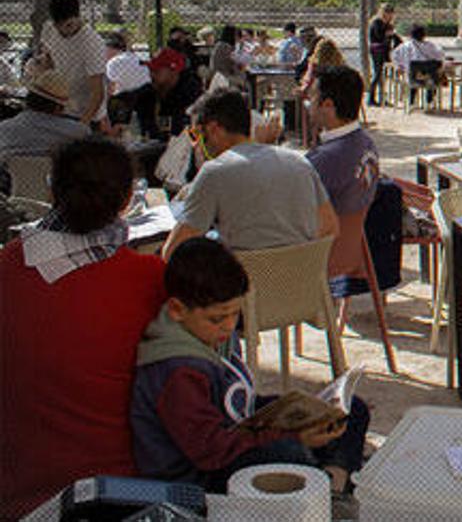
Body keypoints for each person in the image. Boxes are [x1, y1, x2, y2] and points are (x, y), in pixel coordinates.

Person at [130, 236, 368, 510]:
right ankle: (322, 494)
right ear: (177, 310)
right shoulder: (176, 371)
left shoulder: (202, 334)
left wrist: (296, 413)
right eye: (217, 319)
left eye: (235, 315)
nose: (228, 327)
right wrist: (291, 437)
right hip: (198, 480)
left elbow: (234, 408)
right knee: (289, 452)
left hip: (232, 436)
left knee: (352, 411)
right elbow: (212, 450)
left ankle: (332, 489)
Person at [1, 138, 166, 517]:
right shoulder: (150, 279)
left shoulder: (9, 265)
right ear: (127, 201)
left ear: (52, 191)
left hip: (16, 490)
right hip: (120, 492)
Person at [162, 89, 338, 257]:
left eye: (196, 135)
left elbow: (172, 251)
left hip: (246, 285)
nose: (195, 144)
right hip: (304, 283)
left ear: (213, 129)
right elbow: (331, 227)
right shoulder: (299, 163)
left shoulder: (214, 173)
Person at [305, 66, 381, 277]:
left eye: (312, 98)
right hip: (349, 251)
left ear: (327, 105)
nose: (308, 104)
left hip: (318, 257)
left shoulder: (325, 159)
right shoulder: (366, 144)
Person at [0, 70, 89, 195]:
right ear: (59, 107)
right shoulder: (78, 132)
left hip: (12, 199)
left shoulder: (4, 129)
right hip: (63, 200)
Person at [38, 0, 107, 125]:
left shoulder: (92, 43)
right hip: (59, 109)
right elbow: (48, 60)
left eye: (68, 25)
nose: (62, 30)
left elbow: (98, 93)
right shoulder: (49, 29)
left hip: (85, 114)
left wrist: (82, 125)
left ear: (78, 16)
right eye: (57, 25)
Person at [146, 47, 205, 139]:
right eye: (151, 69)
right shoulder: (152, 90)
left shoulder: (190, 92)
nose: (151, 74)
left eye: (157, 70)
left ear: (173, 70)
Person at [392, 24, 445, 107]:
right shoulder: (430, 46)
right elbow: (440, 55)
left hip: (411, 77)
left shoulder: (405, 46)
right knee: (433, 71)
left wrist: (400, 66)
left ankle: (411, 101)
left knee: (413, 74)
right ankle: (429, 100)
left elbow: (395, 55)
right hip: (429, 78)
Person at [367, 3, 396, 106]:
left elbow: (393, 37)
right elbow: (378, 37)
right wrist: (387, 34)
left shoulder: (388, 24)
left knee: (383, 75)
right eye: (388, 12)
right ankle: (370, 99)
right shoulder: (377, 22)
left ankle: (382, 98)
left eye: (391, 13)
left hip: (385, 51)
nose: (390, 15)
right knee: (377, 74)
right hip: (377, 51)